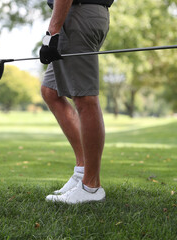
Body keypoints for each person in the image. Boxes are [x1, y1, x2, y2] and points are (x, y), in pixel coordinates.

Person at [39, 0, 113, 204]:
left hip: (79, 14)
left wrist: (52, 32)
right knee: (50, 91)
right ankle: (82, 172)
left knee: (84, 98)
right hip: (73, 15)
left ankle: (91, 187)